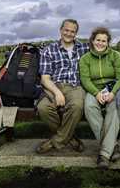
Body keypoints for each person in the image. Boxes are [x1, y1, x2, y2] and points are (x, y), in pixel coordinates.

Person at [35, 19, 89, 154]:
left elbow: (103, 47)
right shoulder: (49, 50)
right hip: (54, 85)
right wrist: (57, 92)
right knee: (43, 108)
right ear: (61, 30)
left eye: (73, 31)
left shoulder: (84, 48)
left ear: (76, 33)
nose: (69, 34)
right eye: (66, 30)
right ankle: (70, 138)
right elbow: (45, 78)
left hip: (75, 86)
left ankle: (55, 141)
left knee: (76, 106)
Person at [79, 27, 120, 169]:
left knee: (114, 109)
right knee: (89, 107)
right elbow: (85, 80)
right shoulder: (85, 59)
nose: (100, 43)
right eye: (98, 40)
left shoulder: (115, 55)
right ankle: (114, 146)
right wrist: (96, 93)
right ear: (92, 41)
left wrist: (112, 93)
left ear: (108, 42)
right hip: (95, 90)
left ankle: (104, 154)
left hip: (114, 89)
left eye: (104, 41)